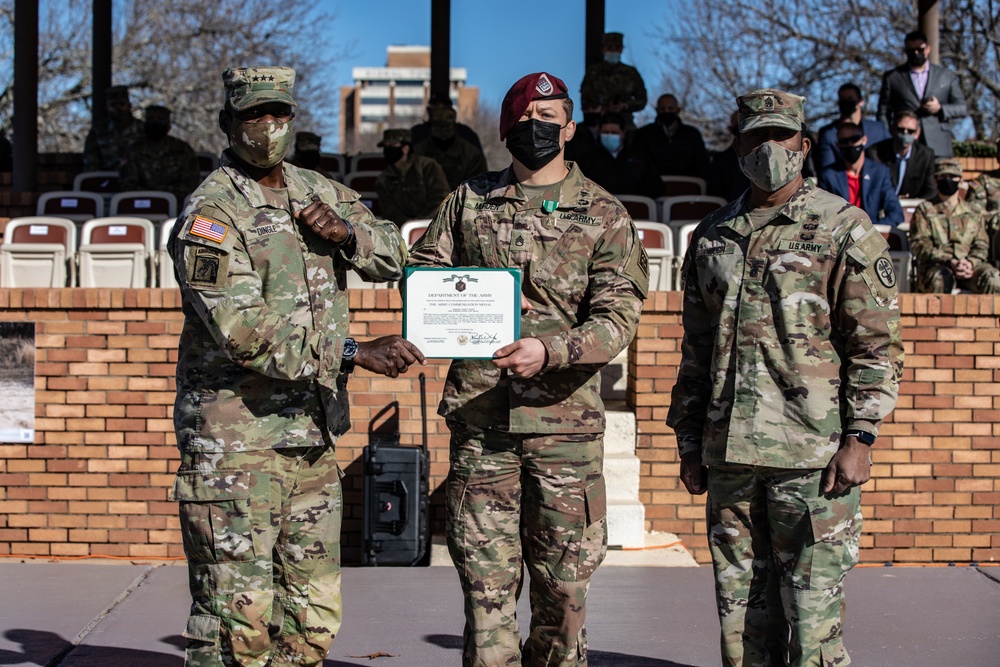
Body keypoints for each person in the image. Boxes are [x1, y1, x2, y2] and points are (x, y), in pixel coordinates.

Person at [167, 66, 425, 667]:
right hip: (237, 446)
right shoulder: (210, 215)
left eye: (279, 113)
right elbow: (241, 333)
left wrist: (348, 235)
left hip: (311, 438)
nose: (269, 126)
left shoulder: (318, 190)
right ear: (227, 123)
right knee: (237, 623)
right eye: (255, 115)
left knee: (310, 619)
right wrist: (353, 353)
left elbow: (396, 252)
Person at [407, 71, 648, 666]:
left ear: (570, 127)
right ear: (505, 130)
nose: (537, 129)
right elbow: (423, 281)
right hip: (482, 425)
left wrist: (553, 349)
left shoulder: (605, 214)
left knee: (563, 596)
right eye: (525, 121)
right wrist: (472, 297)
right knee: (485, 598)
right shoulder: (467, 201)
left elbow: (619, 318)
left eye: (550, 118)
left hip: (564, 432)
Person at [667, 88, 903, 667]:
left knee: (813, 616)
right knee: (742, 620)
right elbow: (696, 351)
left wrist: (861, 437)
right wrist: (691, 441)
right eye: (756, 137)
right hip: (730, 457)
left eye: (780, 136)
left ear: (802, 143)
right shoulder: (713, 236)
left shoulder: (844, 228)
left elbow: (875, 344)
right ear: (737, 144)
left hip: (812, 455)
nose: (769, 148)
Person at [909, 158, 1000, 294]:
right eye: (943, 177)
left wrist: (970, 263)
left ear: (961, 180)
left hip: (971, 268)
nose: (948, 180)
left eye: (952, 177)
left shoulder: (973, 212)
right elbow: (920, 244)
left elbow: (981, 244)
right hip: (938, 266)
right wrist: (949, 261)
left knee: (993, 278)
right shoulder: (925, 210)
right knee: (939, 279)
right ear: (935, 180)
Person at [877, 30, 967, 158]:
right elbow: (883, 111)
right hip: (905, 144)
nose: (916, 53)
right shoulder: (893, 78)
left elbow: (962, 108)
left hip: (938, 145)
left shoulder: (946, 76)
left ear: (928, 48)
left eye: (920, 49)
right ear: (905, 51)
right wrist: (890, 135)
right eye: (911, 50)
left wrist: (940, 108)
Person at [818, 121, 904, 226]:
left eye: (854, 139)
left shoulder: (880, 172)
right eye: (844, 141)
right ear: (838, 145)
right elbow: (822, 215)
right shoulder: (828, 175)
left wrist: (872, 229)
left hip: (872, 233)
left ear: (864, 140)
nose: (850, 144)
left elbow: (896, 213)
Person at [119, 105, 201, 205]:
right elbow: (127, 184)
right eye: (151, 119)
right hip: (141, 204)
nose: (155, 123)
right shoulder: (133, 150)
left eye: (160, 119)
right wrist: (151, 194)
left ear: (168, 125)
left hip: (177, 206)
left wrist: (163, 193)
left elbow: (191, 184)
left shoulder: (182, 150)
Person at [374, 128, 451, 225]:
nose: (387, 150)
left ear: (405, 149)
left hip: (433, 224)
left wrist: (421, 221)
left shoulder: (427, 166)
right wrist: (407, 223)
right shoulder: (383, 179)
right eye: (385, 147)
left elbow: (441, 198)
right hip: (401, 229)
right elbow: (389, 209)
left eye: (392, 146)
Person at [582, 112, 663, 199]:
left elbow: (658, 187)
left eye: (614, 132)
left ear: (623, 133)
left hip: (634, 209)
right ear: (599, 133)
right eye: (605, 132)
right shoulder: (588, 160)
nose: (609, 136)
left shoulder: (639, 157)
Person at [580, 32, 647, 132]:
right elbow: (585, 98)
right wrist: (601, 107)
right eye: (610, 48)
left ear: (621, 50)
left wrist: (624, 105)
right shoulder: (593, 72)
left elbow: (642, 99)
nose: (613, 51)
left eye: (617, 48)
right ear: (604, 50)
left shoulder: (630, 73)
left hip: (625, 123)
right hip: (598, 123)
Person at [815, 83, 890, 171]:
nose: (846, 102)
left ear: (860, 101)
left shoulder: (878, 129)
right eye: (842, 99)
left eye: (850, 98)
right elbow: (826, 168)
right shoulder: (828, 134)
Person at [635, 94, 710, 179]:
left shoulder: (692, 134)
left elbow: (703, 163)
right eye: (662, 109)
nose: (666, 112)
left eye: (670, 109)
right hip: (653, 186)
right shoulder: (643, 134)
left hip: (687, 185)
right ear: (657, 110)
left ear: (677, 110)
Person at [866, 110, 937, 200]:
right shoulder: (875, 153)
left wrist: (915, 202)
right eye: (901, 130)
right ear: (893, 129)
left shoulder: (926, 155)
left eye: (910, 131)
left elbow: (931, 190)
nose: (905, 133)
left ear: (917, 133)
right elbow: (870, 187)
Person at [413, 107, 488, 190]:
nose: (443, 130)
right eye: (439, 125)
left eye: (447, 125)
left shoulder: (470, 153)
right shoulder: (419, 152)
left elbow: (480, 185)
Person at [83, 85, 145, 171]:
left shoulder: (143, 129)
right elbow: (90, 163)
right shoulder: (98, 131)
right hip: (107, 180)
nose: (118, 108)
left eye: (122, 104)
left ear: (129, 106)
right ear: (107, 108)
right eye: (113, 105)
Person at [410, 91, 484, 151]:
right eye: (436, 108)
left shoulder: (465, 134)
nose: (440, 113)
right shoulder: (417, 133)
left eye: (443, 108)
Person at [706, 111, 751, 201]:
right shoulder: (720, 161)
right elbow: (715, 195)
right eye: (739, 124)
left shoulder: (766, 157)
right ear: (730, 129)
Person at [564, 96, 603, 166]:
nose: (590, 111)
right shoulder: (574, 133)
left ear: (602, 108)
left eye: (594, 107)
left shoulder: (609, 130)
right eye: (586, 108)